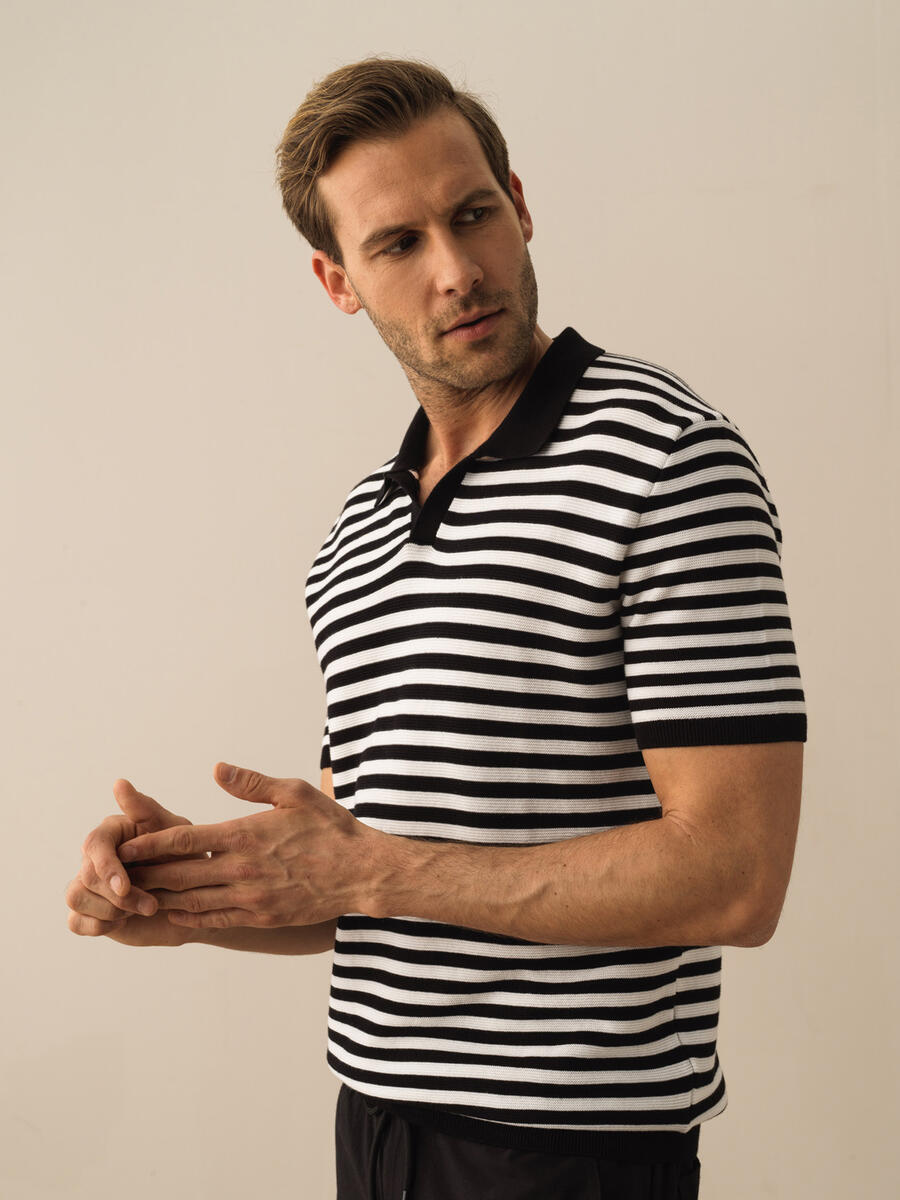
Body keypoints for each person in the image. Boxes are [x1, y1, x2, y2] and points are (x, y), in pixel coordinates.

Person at [65, 56, 807, 1199]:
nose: (457, 271)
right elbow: (366, 884)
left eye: (471, 215)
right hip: (374, 1127)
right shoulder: (358, 532)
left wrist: (369, 871)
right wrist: (184, 900)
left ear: (520, 204)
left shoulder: (667, 459)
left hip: (570, 1152)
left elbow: (736, 877)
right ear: (338, 280)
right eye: (398, 244)